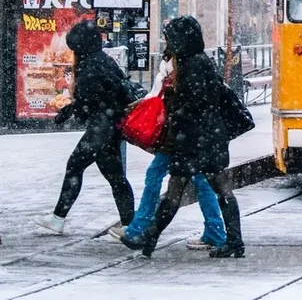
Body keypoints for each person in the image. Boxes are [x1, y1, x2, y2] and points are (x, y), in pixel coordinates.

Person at [120, 16, 244, 258]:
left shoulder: (193, 65)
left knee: (188, 191)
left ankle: (149, 237)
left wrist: (175, 119)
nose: (168, 41)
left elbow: (193, 107)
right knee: (210, 190)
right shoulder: (197, 62)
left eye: (170, 37)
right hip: (204, 139)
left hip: (196, 141)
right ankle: (151, 237)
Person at [116, 47, 227, 251]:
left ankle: (140, 230)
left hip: (179, 139)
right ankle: (216, 232)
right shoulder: (189, 63)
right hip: (185, 138)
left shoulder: (183, 67)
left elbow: (177, 104)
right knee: (200, 183)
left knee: (168, 181)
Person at [33, 20, 135, 237]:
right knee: (115, 178)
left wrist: (71, 110)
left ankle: (58, 219)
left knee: (77, 167)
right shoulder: (104, 61)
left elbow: (89, 99)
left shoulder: (89, 65)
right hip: (110, 126)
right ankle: (129, 224)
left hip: (101, 129)